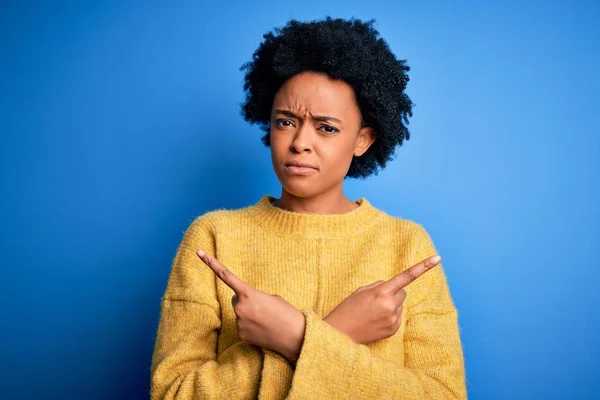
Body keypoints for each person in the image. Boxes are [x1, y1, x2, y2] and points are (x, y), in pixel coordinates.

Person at [150, 16, 467, 399]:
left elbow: (444, 395)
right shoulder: (213, 237)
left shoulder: (407, 245)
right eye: (286, 121)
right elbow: (172, 393)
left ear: (362, 139)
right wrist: (329, 333)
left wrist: (299, 337)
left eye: (326, 127)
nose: (300, 142)